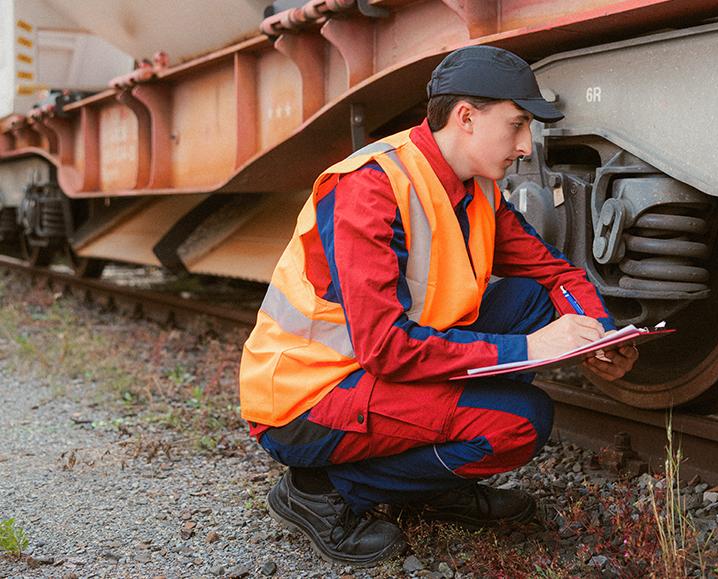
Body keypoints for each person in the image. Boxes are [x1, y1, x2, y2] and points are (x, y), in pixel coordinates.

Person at [238, 45, 638, 566]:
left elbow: (555, 275)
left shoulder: (478, 190)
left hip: (383, 369)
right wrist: (528, 346)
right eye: (517, 125)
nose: (525, 146)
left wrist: (599, 337)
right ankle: (318, 491)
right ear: (466, 118)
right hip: (309, 395)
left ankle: (429, 478)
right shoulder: (370, 188)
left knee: (537, 300)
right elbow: (385, 347)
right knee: (519, 424)